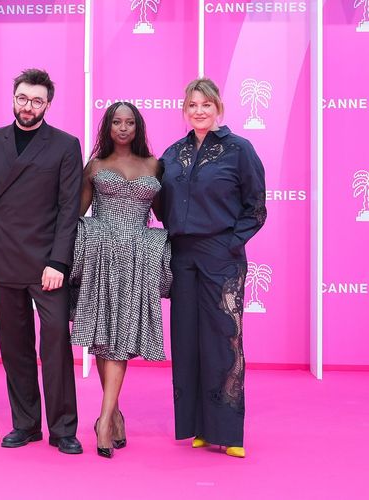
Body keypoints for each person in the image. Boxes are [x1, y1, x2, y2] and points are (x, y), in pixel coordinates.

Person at [158, 77, 266, 459]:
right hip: (182, 256)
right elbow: (162, 203)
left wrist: (230, 243)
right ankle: (199, 428)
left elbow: (256, 206)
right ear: (184, 110)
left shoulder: (239, 150)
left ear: (218, 107)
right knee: (187, 342)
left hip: (222, 257)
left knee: (224, 340)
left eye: (206, 104)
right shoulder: (173, 153)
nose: (199, 111)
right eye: (192, 105)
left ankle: (229, 432)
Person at [0, 69, 83, 455]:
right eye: (22, 98)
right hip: (2, 256)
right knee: (14, 346)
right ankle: (25, 424)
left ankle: (63, 428)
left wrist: (59, 261)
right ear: (13, 98)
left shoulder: (65, 145)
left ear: (48, 105)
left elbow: (69, 209)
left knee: (55, 342)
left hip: (47, 263)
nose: (28, 106)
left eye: (37, 101)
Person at [69, 102, 171, 458]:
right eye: (117, 122)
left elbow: (165, 213)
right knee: (104, 340)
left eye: (129, 122)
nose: (123, 128)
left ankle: (105, 419)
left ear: (137, 127)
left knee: (121, 340)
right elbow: (76, 213)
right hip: (101, 258)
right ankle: (111, 416)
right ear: (108, 127)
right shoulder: (95, 166)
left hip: (136, 262)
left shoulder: (154, 166)